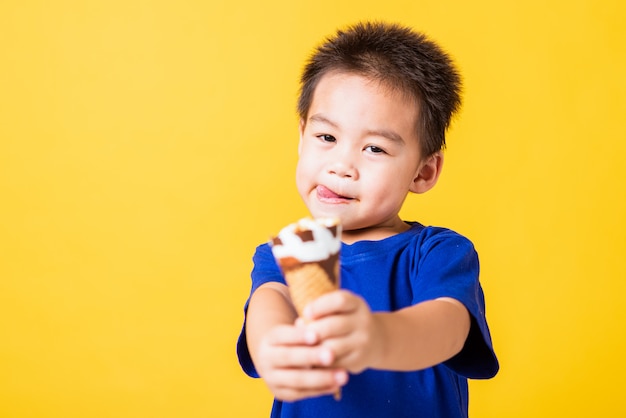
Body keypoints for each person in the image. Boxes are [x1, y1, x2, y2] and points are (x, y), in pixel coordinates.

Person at [236, 21, 498, 417]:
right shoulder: (292, 253)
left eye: (374, 148)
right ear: (302, 134)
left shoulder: (436, 252)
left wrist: (376, 338)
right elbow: (268, 305)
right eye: (326, 138)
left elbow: (447, 326)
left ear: (423, 172)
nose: (342, 165)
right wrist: (272, 346)